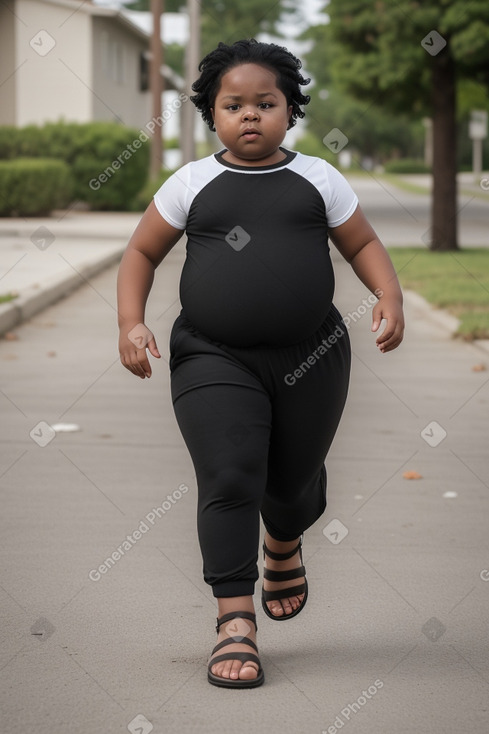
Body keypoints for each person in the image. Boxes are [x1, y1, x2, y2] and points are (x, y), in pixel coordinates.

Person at [117, 38, 404, 689]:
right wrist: (129, 321)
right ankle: (234, 622)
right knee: (230, 471)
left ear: (288, 110)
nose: (250, 116)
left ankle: (283, 540)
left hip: (313, 354)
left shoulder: (317, 178)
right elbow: (140, 254)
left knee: (293, 480)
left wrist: (387, 294)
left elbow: (360, 241)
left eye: (265, 103)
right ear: (211, 114)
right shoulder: (192, 182)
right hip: (211, 355)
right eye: (233, 105)